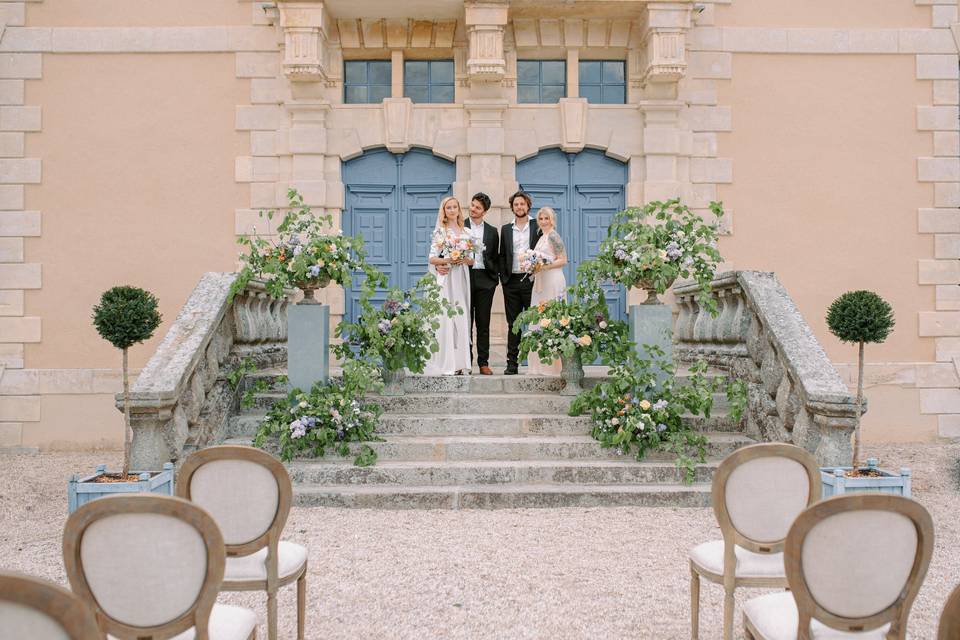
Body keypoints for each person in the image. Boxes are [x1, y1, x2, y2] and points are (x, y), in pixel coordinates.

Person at [424, 196, 472, 376]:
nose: (452, 210)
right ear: (444, 211)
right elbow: (431, 257)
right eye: (448, 208)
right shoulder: (440, 232)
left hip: (460, 278)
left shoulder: (466, 232)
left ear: (459, 209)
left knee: (460, 316)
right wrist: (447, 260)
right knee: (445, 318)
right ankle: (446, 362)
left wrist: (464, 259)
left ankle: (460, 363)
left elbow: (472, 260)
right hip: (446, 278)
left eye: (455, 207)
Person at [499, 190, 540, 375]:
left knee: (535, 322)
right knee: (513, 324)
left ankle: (536, 363)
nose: (519, 207)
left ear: (527, 205)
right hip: (512, 281)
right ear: (512, 207)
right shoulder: (506, 229)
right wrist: (503, 278)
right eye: (516, 204)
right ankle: (512, 364)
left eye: (522, 204)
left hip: (532, 281)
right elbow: (502, 255)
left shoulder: (537, 225)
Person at [527, 207, 567, 376]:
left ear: (552, 220)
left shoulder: (553, 236)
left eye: (546, 218)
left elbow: (563, 260)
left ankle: (553, 366)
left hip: (553, 279)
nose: (543, 221)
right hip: (541, 280)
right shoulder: (542, 237)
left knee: (551, 318)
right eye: (541, 218)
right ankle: (539, 366)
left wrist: (544, 266)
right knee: (539, 317)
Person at [464, 193, 500, 375]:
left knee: (483, 323)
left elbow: (496, 256)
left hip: (486, 280)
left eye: (477, 207)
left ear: (484, 211)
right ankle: (466, 363)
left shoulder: (493, 231)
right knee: (465, 323)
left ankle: (483, 362)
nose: (473, 209)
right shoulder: (460, 226)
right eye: (472, 205)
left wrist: (494, 279)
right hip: (464, 278)